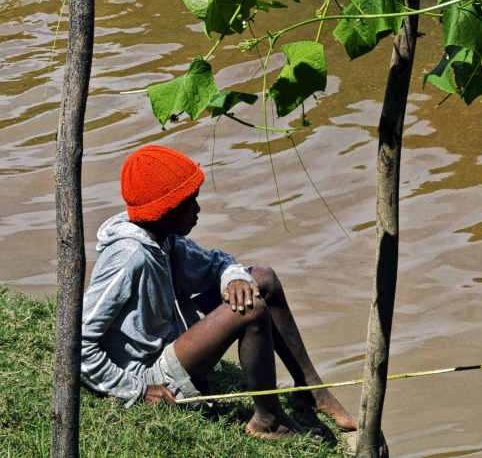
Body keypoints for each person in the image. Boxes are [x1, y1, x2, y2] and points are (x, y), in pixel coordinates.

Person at [80, 144, 357, 440]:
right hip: (148, 372)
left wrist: (234, 279)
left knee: (262, 277)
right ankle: (269, 421)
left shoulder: (164, 238)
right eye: (190, 202)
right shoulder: (128, 257)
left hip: (172, 342)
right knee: (250, 309)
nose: (198, 209)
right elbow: (77, 344)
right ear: (164, 210)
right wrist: (137, 390)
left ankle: (310, 390)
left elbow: (216, 263)